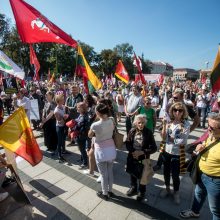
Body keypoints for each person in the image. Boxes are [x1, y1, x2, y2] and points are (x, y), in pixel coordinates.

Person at [180, 112, 220, 219]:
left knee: (215, 209)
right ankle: (195, 212)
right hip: (202, 174)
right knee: (198, 194)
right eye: (208, 125)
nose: (208, 129)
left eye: (211, 127)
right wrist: (198, 149)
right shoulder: (210, 134)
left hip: (216, 181)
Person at [160, 102, 190, 204]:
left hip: (177, 153)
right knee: (166, 172)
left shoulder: (186, 124)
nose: (177, 112)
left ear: (183, 112)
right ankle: (167, 188)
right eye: (175, 110)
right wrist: (164, 125)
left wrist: (173, 140)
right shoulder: (169, 122)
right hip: (167, 151)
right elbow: (163, 138)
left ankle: (176, 192)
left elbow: (184, 140)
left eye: (180, 110)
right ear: (172, 111)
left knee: (176, 175)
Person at [88, 103, 116, 201]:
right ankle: (110, 191)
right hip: (111, 148)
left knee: (103, 174)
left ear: (98, 113)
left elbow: (90, 135)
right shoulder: (112, 120)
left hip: (101, 150)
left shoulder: (95, 124)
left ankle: (104, 193)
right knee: (110, 171)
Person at [125, 114, 157, 201]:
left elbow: (154, 148)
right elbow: (127, 143)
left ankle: (142, 192)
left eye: (143, 123)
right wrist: (133, 151)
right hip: (132, 156)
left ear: (145, 123)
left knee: (143, 175)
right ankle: (133, 187)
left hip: (143, 158)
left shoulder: (148, 132)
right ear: (135, 123)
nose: (141, 125)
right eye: (139, 123)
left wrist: (142, 152)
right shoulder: (131, 131)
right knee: (132, 173)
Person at [54, 94, 69, 163]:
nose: (63, 100)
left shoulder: (63, 106)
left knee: (63, 139)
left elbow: (67, 111)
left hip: (64, 126)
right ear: (58, 101)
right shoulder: (56, 110)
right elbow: (59, 121)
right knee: (60, 141)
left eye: (63, 99)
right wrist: (64, 117)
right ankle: (59, 155)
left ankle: (64, 151)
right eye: (62, 100)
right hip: (59, 127)